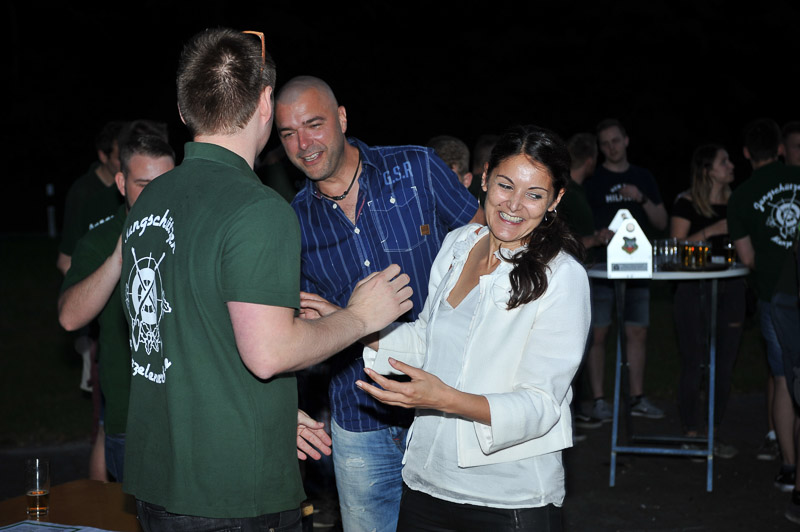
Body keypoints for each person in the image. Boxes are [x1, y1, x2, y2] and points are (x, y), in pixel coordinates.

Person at [119, 28, 413, 531]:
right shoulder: (258, 209)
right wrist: (361, 317)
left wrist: (268, 413)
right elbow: (269, 353)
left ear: (185, 110)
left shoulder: (151, 199)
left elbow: (187, 339)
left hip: (161, 480)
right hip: (233, 496)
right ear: (264, 103)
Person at [348, 124, 591, 531]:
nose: (514, 205)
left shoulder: (562, 276)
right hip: (427, 481)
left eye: (534, 195)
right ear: (484, 178)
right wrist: (353, 323)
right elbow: (428, 339)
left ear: (555, 200)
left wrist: (446, 399)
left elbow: (541, 404)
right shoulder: (459, 244)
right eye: (505, 185)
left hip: (507, 497)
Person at [274, 75, 483, 532]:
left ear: (342, 118)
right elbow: (295, 330)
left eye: (314, 125)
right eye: (288, 133)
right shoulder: (291, 223)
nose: (303, 144)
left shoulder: (417, 168)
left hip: (443, 405)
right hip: (359, 419)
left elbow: (487, 244)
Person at [58, 131, 176, 483]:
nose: (157, 195)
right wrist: (120, 255)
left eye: (166, 183)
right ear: (122, 183)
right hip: (131, 420)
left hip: (194, 418)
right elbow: (69, 318)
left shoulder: (194, 232)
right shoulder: (100, 240)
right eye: (144, 185)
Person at [728, 117, 800, 494]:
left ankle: (789, 467)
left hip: (775, 297)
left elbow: (748, 258)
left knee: (784, 379)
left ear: (746, 153)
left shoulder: (741, 197)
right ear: (780, 148)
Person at [585, 118, 668, 422]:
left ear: (626, 140)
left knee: (638, 331)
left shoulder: (642, 177)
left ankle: (637, 398)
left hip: (637, 266)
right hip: (602, 268)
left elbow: (661, 222)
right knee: (598, 333)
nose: (611, 147)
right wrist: (596, 234)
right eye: (605, 143)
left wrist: (640, 197)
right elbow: (582, 223)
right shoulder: (594, 180)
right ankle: (598, 401)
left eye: (616, 140)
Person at [669, 144, 745, 458]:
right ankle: (691, 433)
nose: (731, 165)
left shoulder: (738, 203)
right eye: (723, 161)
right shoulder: (686, 203)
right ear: (707, 170)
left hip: (732, 288)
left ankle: (712, 434)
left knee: (723, 366)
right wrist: (713, 230)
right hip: (693, 289)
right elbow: (675, 249)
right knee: (694, 362)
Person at [561, 132, 614, 432]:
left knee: (583, 342)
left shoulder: (577, 191)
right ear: (591, 159)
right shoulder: (568, 193)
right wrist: (595, 238)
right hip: (568, 279)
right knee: (573, 345)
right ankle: (569, 418)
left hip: (581, 276)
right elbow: (563, 239)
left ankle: (577, 412)